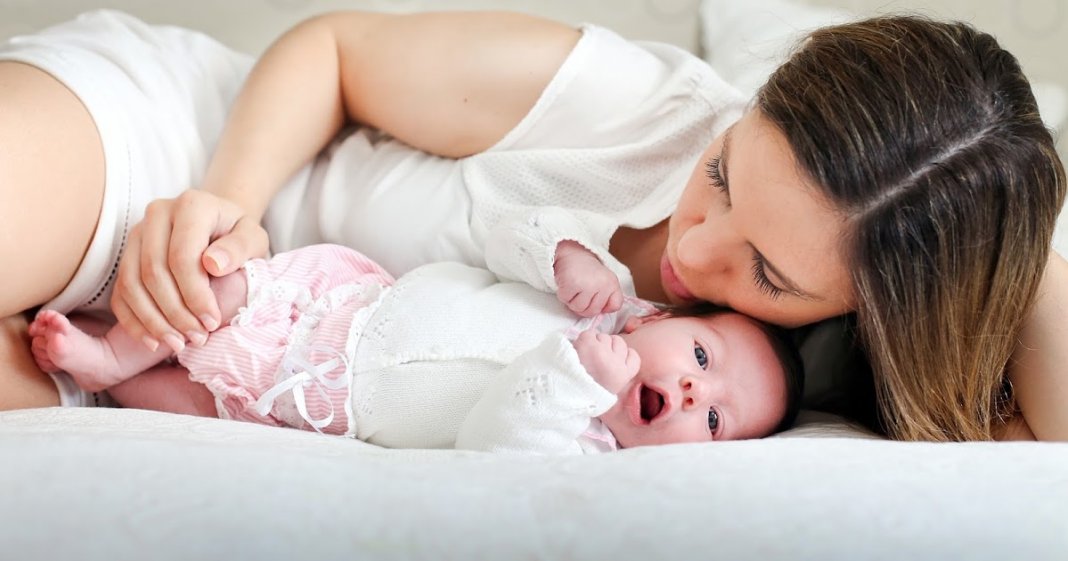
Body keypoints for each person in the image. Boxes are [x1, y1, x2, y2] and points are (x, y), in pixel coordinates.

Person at [0, 9, 1064, 441]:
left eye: (772, 278)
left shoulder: (766, 383)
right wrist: (223, 199)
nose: (693, 252)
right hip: (188, 154)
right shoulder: (631, 101)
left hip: (214, 376)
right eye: (724, 175)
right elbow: (329, 52)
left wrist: (1006, 227)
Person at [28, 240, 803, 453]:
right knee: (228, 292)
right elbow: (505, 242)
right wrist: (566, 258)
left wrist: (570, 381)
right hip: (346, 304)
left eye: (713, 423)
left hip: (325, 401)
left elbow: (491, 442)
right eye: (703, 356)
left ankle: (110, 381)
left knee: (199, 405)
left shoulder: (583, 443)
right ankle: (119, 349)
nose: (699, 393)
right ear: (657, 317)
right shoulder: (607, 306)